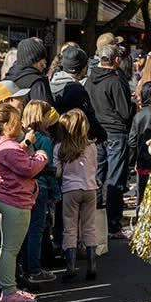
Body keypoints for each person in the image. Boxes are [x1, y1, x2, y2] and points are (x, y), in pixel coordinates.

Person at [0, 103, 48, 302]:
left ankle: (9, 288)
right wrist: (41, 156)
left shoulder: (2, 144)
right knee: (10, 249)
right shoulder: (7, 147)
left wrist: (26, 143)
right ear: (8, 125)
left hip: (11, 200)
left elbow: (17, 155)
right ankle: (8, 292)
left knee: (8, 248)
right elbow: (28, 168)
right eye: (17, 121)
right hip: (16, 202)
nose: (21, 125)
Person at [87, 44, 133, 239]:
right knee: (114, 179)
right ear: (115, 60)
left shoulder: (89, 80)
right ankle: (113, 225)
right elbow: (124, 111)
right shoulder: (115, 81)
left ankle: (95, 222)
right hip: (115, 132)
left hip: (97, 132)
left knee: (97, 177)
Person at [53, 109, 99, 282]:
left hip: (70, 190)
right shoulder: (91, 146)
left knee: (70, 228)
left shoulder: (60, 147)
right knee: (89, 226)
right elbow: (95, 167)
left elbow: (57, 172)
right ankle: (92, 265)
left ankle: (70, 266)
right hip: (90, 187)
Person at [20, 101, 59, 285]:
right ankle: (34, 269)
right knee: (36, 229)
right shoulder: (43, 138)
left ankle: (26, 267)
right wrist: (56, 191)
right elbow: (49, 168)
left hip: (25, 187)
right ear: (40, 116)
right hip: (41, 187)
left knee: (26, 230)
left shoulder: (24, 136)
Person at [48, 45, 107, 143]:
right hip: (74, 142)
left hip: (56, 140)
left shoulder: (51, 83)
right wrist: (101, 135)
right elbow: (88, 117)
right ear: (83, 68)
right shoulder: (76, 90)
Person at [127, 80, 151, 201]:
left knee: (141, 192)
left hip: (141, 160)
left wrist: (131, 161)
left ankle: (139, 215)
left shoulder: (138, 116)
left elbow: (132, 141)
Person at [5, 38, 53, 106]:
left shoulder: (8, 78)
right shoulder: (36, 82)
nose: (45, 64)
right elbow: (44, 112)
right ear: (34, 60)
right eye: (42, 60)